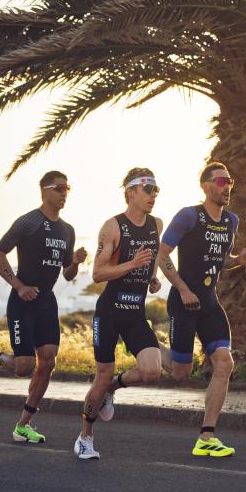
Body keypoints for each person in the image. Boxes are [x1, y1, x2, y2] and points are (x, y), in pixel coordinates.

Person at [157, 161, 246, 457]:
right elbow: (162, 255)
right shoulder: (189, 216)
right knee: (181, 372)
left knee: (224, 364)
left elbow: (220, 260)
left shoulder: (231, 221)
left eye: (230, 182)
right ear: (205, 186)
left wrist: (238, 259)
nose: (227, 187)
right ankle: (150, 345)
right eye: (221, 182)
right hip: (183, 301)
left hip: (210, 303)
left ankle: (207, 436)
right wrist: (183, 289)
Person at [0, 171, 86, 443]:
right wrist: (18, 286)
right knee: (24, 366)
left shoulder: (67, 230)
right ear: (45, 190)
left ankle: (23, 425)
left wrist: (75, 262)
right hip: (22, 301)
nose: (64, 193)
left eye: (68, 188)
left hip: (46, 301)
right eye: (59, 188)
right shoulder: (28, 222)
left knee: (48, 362)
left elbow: (68, 274)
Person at [74, 168, 164, 460]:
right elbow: (98, 273)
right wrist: (132, 264)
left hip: (135, 312)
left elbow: (152, 258)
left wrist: (151, 278)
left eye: (156, 190)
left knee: (152, 371)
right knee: (102, 375)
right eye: (147, 189)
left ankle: (112, 389)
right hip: (110, 312)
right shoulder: (113, 227)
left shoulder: (156, 224)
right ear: (130, 192)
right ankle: (85, 436)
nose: (153, 195)